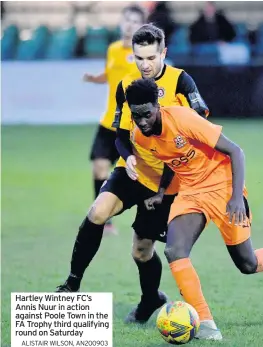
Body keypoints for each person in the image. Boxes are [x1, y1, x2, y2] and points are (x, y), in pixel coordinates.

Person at [123, 78, 263, 341]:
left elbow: (236, 151)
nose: (142, 121)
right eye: (136, 115)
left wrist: (236, 197)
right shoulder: (139, 137)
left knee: (247, 263)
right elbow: (170, 160)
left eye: (146, 114)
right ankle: (206, 325)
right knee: (174, 250)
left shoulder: (184, 118)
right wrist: (161, 193)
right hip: (190, 191)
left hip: (222, 185)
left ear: (157, 106)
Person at [56, 24, 210, 326]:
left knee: (142, 250)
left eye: (151, 57)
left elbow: (201, 125)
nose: (145, 64)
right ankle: (72, 284)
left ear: (163, 52)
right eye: (139, 58)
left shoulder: (181, 81)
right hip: (134, 170)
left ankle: (150, 299)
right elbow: (119, 134)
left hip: (170, 181)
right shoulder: (126, 84)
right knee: (97, 212)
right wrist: (127, 160)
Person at [84, 5, 146, 235]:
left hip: (131, 128)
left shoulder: (144, 56)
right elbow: (110, 75)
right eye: (126, 20)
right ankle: (103, 220)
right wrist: (95, 78)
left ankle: (145, 223)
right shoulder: (113, 50)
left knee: (136, 177)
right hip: (108, 122)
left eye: (134, 21)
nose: (129, 24)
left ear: (142, 25)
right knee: (99, 167)